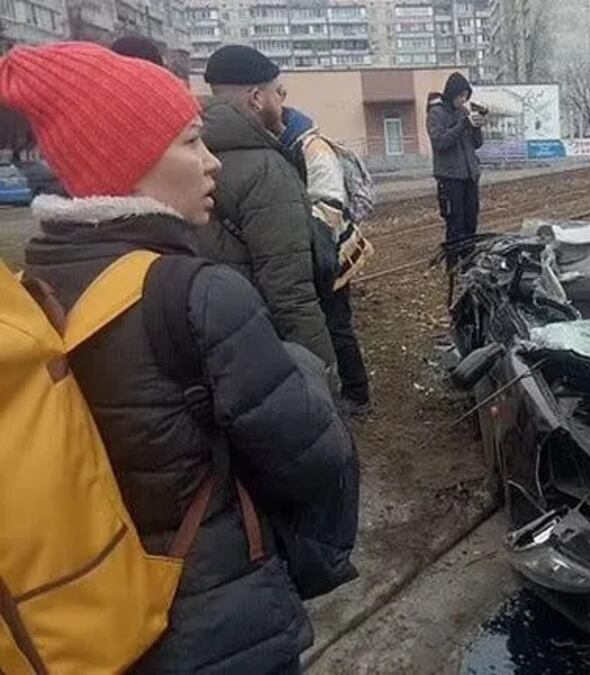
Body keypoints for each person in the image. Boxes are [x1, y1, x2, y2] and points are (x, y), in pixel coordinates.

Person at [2, 41, 354, 672]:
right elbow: (312, 456)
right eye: (192, 143)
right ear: (128, 162)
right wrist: (302, 366)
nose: (212, 162)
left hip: (110, 613)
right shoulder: (199, 293)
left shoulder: (40, 283)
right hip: (218, 618)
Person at [197, 44, 337, 370]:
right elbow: (290, 294)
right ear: (257, 98)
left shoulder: (190, 154)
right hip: (267, 347)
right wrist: (324, 376)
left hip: (216, 343)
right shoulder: (265, 170)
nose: (282, 104)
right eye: (279, 93)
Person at [280, 107, 375, 416]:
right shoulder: (295, 146)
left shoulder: (313, 150)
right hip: (324, 251)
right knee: (335, 321)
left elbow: (328, 209)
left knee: (337, 323)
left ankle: (357, 392)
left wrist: (322, 269)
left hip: (332, 253)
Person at [427, 71, 485, 266]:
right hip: (450, 178)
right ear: (451, 93)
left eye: (466, 96)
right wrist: (462, 125)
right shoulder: (436, 114)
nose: (463, 100)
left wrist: (476, 127)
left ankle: (468, 263)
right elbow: (440, 142)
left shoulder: (464, 113)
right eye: (461, 96)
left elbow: (476, 144)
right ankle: (453, 266)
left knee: (471, 222)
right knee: (455, 224)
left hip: (469, 176)